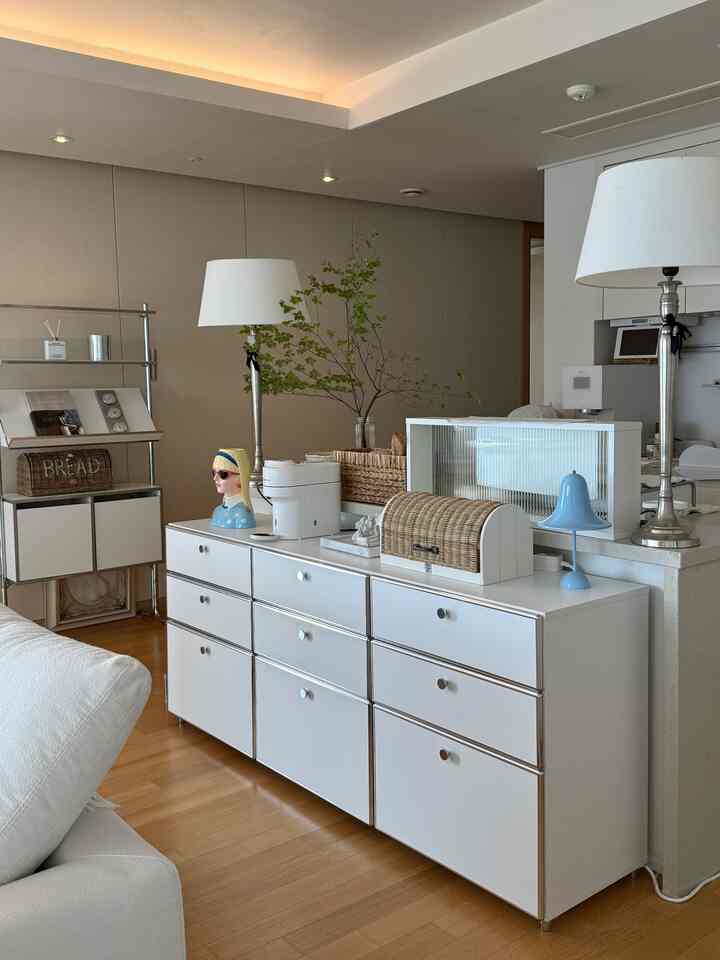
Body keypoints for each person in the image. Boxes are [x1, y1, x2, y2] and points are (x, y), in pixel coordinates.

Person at [210, 448, 256, 529]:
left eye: (223, 474)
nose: (215, 478)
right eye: (213, 472)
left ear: (240, 478)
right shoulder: (217, 511)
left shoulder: (242, 514)